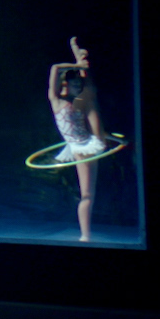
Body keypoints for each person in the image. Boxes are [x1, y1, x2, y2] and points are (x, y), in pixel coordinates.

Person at [47, 36, 111, 242]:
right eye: (74, 85)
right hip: (82, 147)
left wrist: (78, 62)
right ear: (65, 85)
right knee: (87, 195)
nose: (77, 87)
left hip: (87, 140)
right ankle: (85, 236)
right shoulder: (57, 101)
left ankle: (80, 56)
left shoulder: (78, 101)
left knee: (90, 93)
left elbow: (86, 88)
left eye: (78, 84)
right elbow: (55, 68)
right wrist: (77, 65)